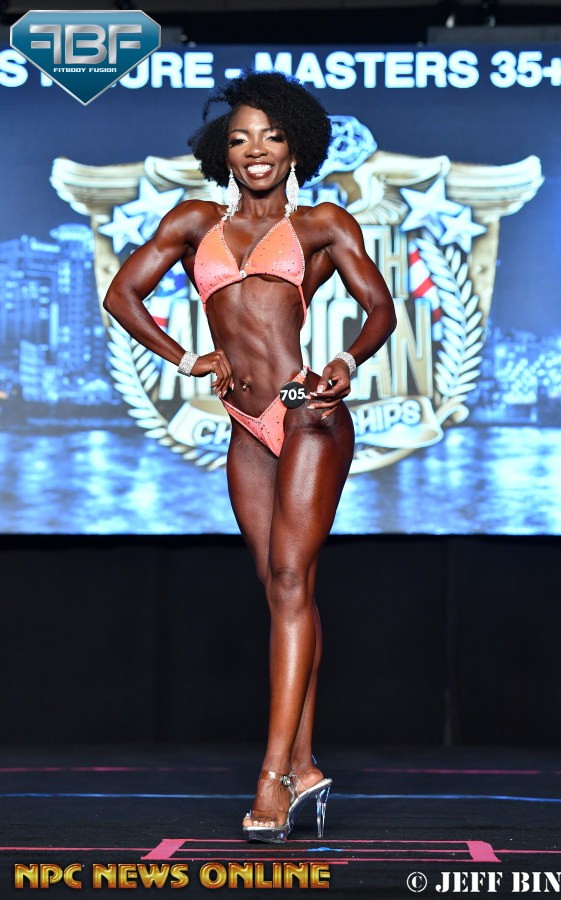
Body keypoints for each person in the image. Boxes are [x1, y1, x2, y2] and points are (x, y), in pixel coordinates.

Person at [103, 70, 396, 844]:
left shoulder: (321, 223)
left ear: (295, 147)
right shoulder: (193, 221)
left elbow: (380, 308)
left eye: (271, 135)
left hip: (307, 413)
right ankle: (306, 767)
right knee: (281, 590)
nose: (256, 149)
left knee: (293, 580)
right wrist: (185, 356)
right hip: (245, 424)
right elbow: (122, 295)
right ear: (222, 153)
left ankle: (272, 776)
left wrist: (346, 361)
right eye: (240, 139)